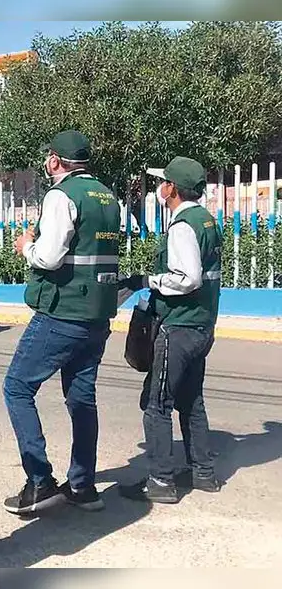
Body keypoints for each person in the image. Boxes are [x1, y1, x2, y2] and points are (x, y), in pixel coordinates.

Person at [2, 130, 122, 515]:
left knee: (17, 387)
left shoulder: (61, 195)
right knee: (82, 398)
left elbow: (50, 257)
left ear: (55, 160)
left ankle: (39, 482)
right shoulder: (107, 196)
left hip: (62, 311)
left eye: (48, 157)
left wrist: (26, 247)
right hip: (97, 314)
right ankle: (83, 487)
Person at [118, 156, 224, 504]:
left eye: (163, 182)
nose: (159, 187)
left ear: (172, 189)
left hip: (178, 326)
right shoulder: (206, 220)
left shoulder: (182, 226)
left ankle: (161, 481)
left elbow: (188, 278)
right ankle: (203, 473)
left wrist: (148, 281)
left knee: (157, 404)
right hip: (202, 325)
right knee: (191, 401)